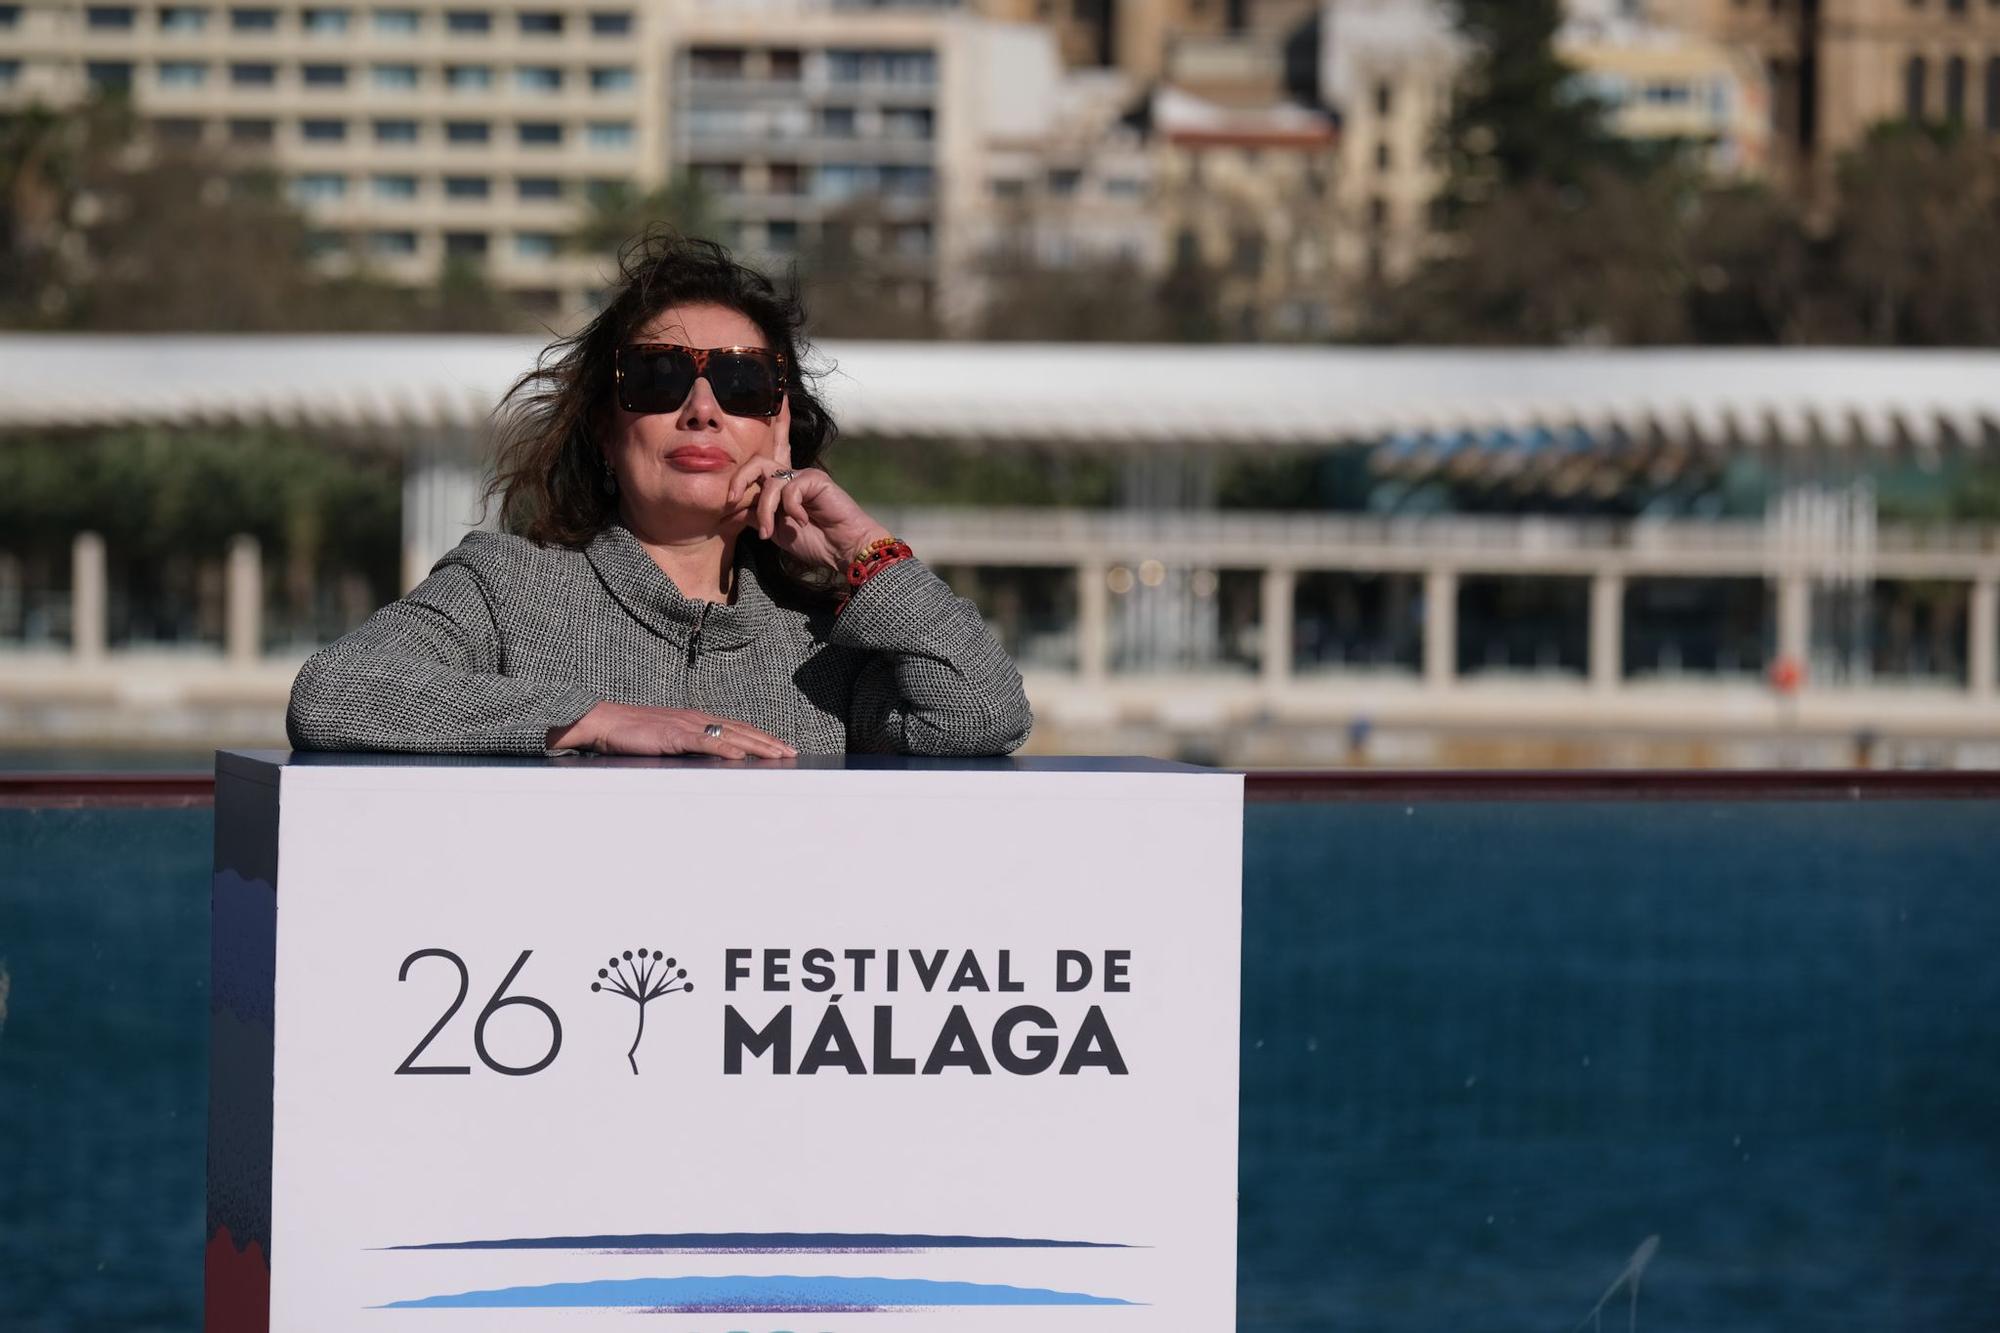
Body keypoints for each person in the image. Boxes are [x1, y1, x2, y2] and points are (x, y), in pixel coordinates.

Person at [285, 232, 1032, 759]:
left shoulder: (825, 647)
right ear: (608, 433)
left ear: (778, 429)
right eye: (658, 378)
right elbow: (335, 693)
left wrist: (864, 551)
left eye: (741, 385)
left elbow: (983, 713)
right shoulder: (507, 587)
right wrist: (597, 719)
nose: (701, 408)